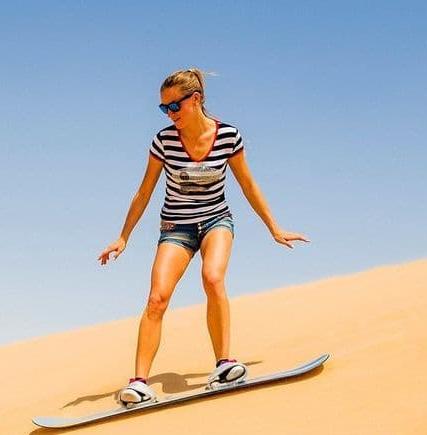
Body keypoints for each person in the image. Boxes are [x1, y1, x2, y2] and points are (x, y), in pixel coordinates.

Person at [98, 68, 309, 407]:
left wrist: (274, 227)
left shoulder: (228, 136)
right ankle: (139, 384)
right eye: (164, 108)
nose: (170, 114)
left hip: (216, 221)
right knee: (157, 298)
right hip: (176, 227)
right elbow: (144, 192)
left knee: (212, 278)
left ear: (195, 99)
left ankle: (224, 365)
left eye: (174, 106)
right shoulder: (163, 142)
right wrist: (123, 237)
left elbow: (248, 185)